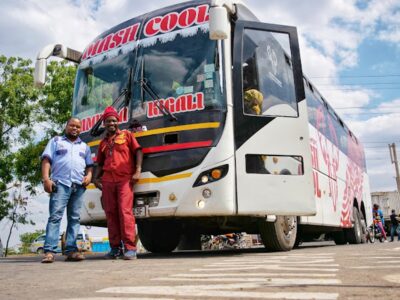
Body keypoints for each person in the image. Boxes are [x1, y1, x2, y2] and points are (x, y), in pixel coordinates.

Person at [41, 118, 93, 263]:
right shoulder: (56, 141)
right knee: (55, 217)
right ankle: (50, 252)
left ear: (81, 129)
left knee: (75, 218)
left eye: (77, 126)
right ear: (66, 126)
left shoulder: (85, 146)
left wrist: (88, 176)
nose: (74, 128)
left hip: (78, 186)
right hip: (60, 184)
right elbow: (46, 160)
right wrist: (46, 179)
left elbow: (89, 166)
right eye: (72, 125)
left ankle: (71, 250)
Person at [94, 106, 143, 260]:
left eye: (114, 121)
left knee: (125, 212)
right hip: (107, 181)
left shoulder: (127, 135)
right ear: (104, 123)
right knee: (110, 213)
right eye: (108, 121)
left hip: (124, 180)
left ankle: (130, 248)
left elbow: (139, 151)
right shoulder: (102, 143)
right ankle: (115, 248)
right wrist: (96, 178)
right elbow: (99, 164)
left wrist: (138, 170)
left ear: (118, 122)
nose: (111, 124)